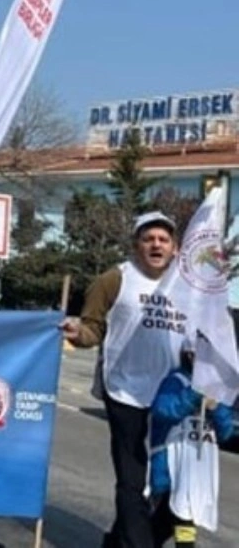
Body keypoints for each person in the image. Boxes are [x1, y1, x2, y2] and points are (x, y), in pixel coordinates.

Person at [63, 211, 182, 548]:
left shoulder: (187, 284)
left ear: (174, 247)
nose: (156, 245)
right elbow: (92, 328)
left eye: (163, 240)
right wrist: (77, 334)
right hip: (124, 389)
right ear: (136, 245)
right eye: (149, 239)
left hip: (171, 395)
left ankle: (120, 541)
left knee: (175, 483)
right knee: (132, 479)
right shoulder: (114, 279)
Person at [148, 348, 235, 548]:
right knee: (163, 524)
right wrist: (195, 395)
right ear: (190, 356)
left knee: (178, 522)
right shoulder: (176, 381)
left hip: (196, 474)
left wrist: (216, 408)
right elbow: (164, 409)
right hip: (170, 471)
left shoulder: (215, 389)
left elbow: (226, 431)